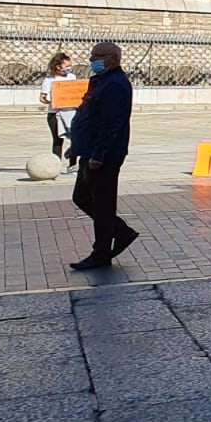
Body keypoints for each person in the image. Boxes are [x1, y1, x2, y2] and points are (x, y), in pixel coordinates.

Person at [65, 42, 137, 271]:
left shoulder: (116, 84)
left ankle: (102, 252)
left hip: (104, 154)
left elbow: (112, 123)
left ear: (112, 58)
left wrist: (99, 154)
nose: (91, 60)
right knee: (82, 197)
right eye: (92, 56)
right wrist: (76, 146)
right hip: (89, 149)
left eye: (97, 56)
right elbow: (87, 114)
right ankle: (120, 232)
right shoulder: (99, 81)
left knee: (102, 203)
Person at [38, 51, 78, 165]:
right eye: (67, 66)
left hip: (71, 112)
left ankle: (73, 164)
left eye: (70, 66)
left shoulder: (72, 77)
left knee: (75, 139)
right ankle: (56, 164)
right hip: (55, 113)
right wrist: (52, 102)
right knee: (57, 140)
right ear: (58, 66)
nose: (69, 68)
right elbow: (42, 97)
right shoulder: (49, 80)